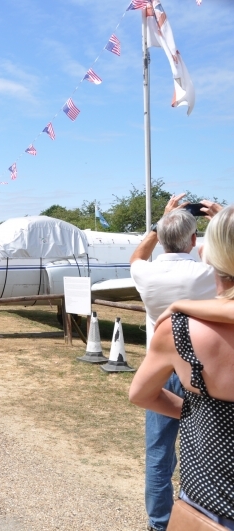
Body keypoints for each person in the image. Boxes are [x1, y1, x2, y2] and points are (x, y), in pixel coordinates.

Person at [130, 204, 234, 530]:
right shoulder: (203, 272)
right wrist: (220, 220)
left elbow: (136, 257)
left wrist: (159, 223)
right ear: (193, 238)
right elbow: (217, 262)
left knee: (159, 455)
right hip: (212, 364)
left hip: (168, 363)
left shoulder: (145, 274)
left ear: (161, 240)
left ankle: (159, 520)